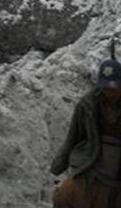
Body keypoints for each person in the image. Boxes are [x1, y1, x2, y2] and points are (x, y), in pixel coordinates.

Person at [50, 57, 121, 207]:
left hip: (117, 175)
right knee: (63, 197)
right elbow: (73, 137)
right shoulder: (87, 105)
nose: (110, 93)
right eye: (106, 88)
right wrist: (58, 166)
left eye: (114, 88)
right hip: (91, 167)